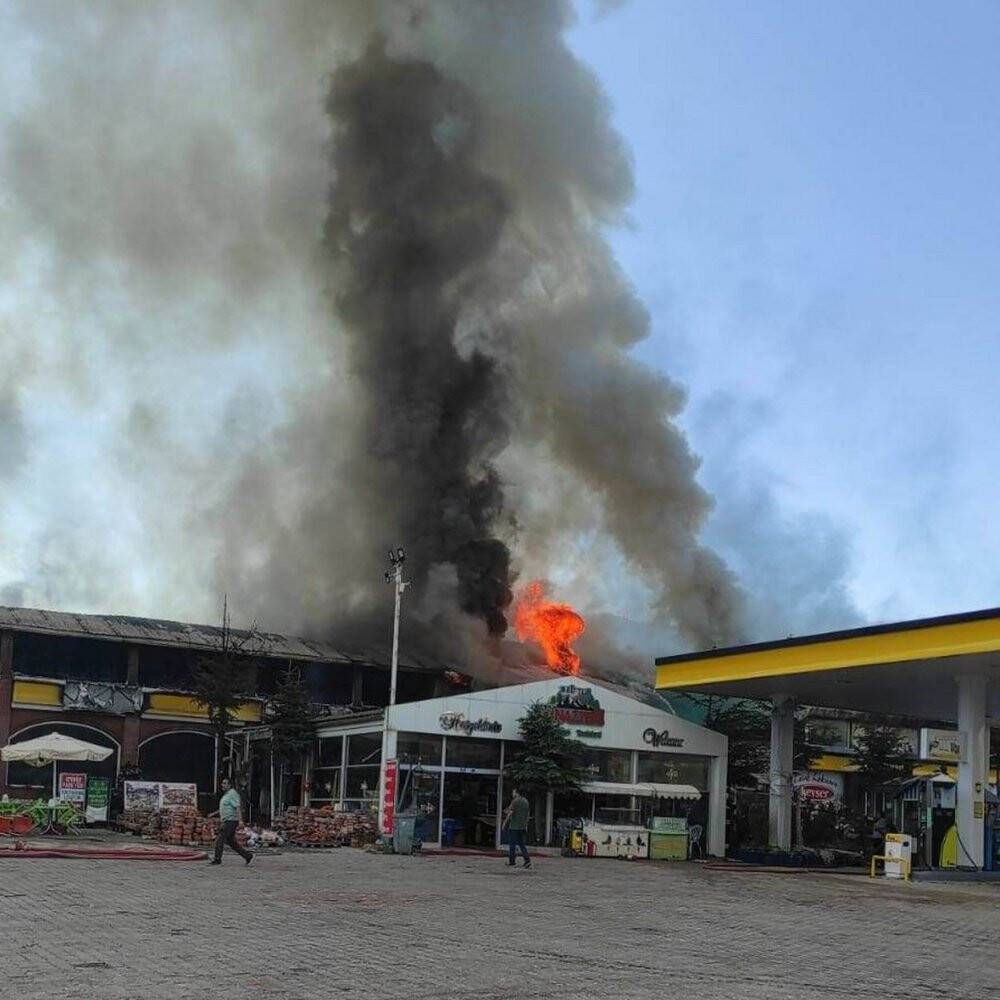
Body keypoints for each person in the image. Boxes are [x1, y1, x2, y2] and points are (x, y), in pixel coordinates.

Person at [208, 778, 253, 866]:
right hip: (227, 820)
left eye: (225, 783)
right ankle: (247, 855)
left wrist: (240, 821)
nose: (222, 785)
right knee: (231, 842)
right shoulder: (227, 795)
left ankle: (217, 859)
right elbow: (225, 807)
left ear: (229, 785)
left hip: (231, 821)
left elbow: (237, 808)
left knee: (220, 839)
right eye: (222, 783)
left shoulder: (233, 794)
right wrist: (213, 814)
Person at [502, 787, 531, 869]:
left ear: (517, 793)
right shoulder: (526, 801)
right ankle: (527, 860)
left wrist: (504, 822)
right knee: (522, 844)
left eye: (513, 792)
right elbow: (527, 813)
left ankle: (512, 861)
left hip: (514, 826)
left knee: (512, 845)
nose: (512, 794)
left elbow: (510, 812)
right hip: (523, 826)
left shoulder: (515, 801)